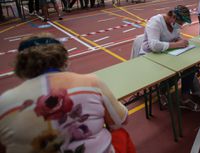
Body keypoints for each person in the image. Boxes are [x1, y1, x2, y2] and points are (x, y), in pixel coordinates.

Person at [0, 33, 136, 153]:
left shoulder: (4, 103)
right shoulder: (91, 82)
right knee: (119, 134)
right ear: (62, 59)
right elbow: (121, 120)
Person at [139, 5, 200, 112]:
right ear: (173, 17)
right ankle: (162, 91)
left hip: (167, 53)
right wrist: (177, 45)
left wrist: (181, 40)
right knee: (174, 72)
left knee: (190, 66)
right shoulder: (155, 22)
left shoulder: (173, 25)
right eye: (180, 23)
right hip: (150, 56)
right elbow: (154, 46)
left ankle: (184, 97)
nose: (181, 26)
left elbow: (175, 37)